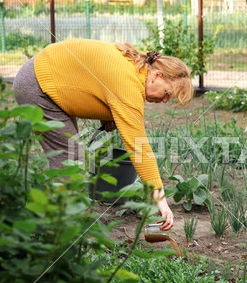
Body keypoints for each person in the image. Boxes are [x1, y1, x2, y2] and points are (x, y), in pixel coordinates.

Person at [13, 39, 194, 231]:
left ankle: (58, 220)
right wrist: (161, 201)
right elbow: (138, 145)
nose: (165, 100)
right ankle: (58, 230)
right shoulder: (128, 81)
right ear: (157, 75)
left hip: (43, 76)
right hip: (37, 85)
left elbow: (91, 81)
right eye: (167, 93)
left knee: (70, 159)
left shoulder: (134, 68)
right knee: (71, 159)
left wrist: (107, 114)